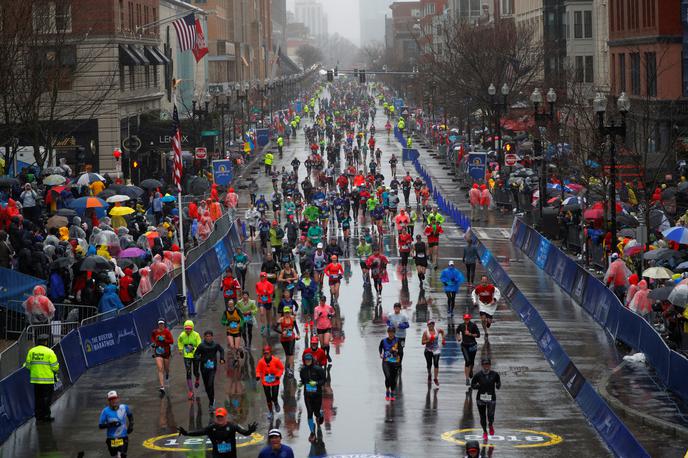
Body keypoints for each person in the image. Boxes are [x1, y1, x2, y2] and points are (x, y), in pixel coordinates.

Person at [177, 407, 257, 458]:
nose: (220, 418)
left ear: (225, 417)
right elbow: (199, 432)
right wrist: (186, 433)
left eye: (221, 416)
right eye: (218, 416)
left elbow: (245, 433)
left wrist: (250, 431)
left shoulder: (232, 426)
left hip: (231, 456)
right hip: (217, 456)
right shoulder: (211, 428)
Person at [24, 334, 59, 421]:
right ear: (46, 342)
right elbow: (55, 367)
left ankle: (38, 415)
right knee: (46, 398)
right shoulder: (49, 352)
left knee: (38, 398)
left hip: (35, 380)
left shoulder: (31, 351)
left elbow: (27, 366)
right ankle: (46, 416)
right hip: (47, 381)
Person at [471, 357, 501, 441]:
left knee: (490, 415)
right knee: (482, 416)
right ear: (482, 365)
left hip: (491, 398)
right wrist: (477, 386)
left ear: (490, 365)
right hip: (480, 399)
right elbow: (472, 384)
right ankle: (484, 432)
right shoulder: (478, 375)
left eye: (487, 364)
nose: (486, 366)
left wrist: (498, 385)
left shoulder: (495, 374)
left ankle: (490, 425)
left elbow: (498, 382)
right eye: (484, 364)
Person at [195, 330, 225, 412]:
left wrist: (222, 359)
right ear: (204, 337)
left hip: (212, 368)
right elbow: (196, 355)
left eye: (209, 336)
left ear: (212, 337)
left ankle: (211, 403)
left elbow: (221, 350)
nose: (208, 338)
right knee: (207, 387)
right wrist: (200, 359)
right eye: (206, 336)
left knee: (210, 384)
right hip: (204, 369)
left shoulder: (215, 345)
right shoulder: (201, 346)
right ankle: (211, 400)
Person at [300, 352, 326, 442]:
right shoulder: (302, 370)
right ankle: (312, 432)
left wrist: (316, 383)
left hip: (317, 395)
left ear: (312, 360)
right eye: (306, 360)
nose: (308, 361)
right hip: (307, 395)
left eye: (309, 360)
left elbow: (324, 380)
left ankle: (320, 415)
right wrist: (301, 383)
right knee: (309, 413)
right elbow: (303, 380)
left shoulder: (318, 369)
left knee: (317, 413)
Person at [98, 391, 134, 458]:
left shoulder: (124, 407)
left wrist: (131, 425)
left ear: (118, 399)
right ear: (108, 401)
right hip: (111, 438)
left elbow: (130, 416)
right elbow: (100, 426)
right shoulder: (105, 411)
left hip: (123, 437)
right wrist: (110, 424)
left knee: (123, 455)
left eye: (115, 398)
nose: (113, 401)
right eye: (111, 399)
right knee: (114, 456)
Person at [256, 345, 285, 420]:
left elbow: (281, 368)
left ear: (270, 353)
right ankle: (270, 412)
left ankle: (275, 403)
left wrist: (278, 375)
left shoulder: (276, 360)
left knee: (274, 396)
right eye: (265, 353)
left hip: (275, 381)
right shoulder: (261, 361)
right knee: (268, 398)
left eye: (267, 353)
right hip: (265, 382)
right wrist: (258, 376)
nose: (266, 355)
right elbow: (258, 370)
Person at [177, 320, 202, 400]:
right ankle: (191, 391)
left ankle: (197, 378)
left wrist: (194, 349)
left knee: (195, 371)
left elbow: (199, 345)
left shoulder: (196, 335)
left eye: (189, 329)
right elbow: (179, 341)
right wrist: (180, 349)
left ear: (192, 328)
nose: (188, 330)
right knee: (188, 372)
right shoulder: (182, 335)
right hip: (187, 356)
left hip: (195, 355)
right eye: (186, 328)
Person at [274, 306, 300, 377]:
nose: (287, 314)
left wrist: (298, 334)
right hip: (284, 339)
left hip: (291, 337)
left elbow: (296, 327)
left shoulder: (292, 318)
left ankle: (291, 369)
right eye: (285, 313)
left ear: (290, 312)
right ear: (283, 313)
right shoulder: (281, 319)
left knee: (291, 353)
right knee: (287, 354)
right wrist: (282, 332)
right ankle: (287, 366)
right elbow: (274, 328)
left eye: (288, 312)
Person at [457, 313, 481, 386]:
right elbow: (457, 331)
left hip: (472, 345)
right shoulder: (461, 325)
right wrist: (458, 337)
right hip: (464, 346)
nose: (466, 320)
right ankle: (467, 379)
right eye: (465, 319)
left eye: (467, 319)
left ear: (469, 319)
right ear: (463, 319)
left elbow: (478, 335)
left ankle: (470, 371)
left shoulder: (473, 325)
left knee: (472, 361)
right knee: (467, 361)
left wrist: (470, 334)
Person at [151, 319, 174, 394]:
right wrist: (154, 343)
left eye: (162, 324)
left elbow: (171, 341)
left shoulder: (167, 331)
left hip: (166, 352)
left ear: (164, 324)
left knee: (166, 368)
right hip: (158, 352)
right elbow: (153, 338)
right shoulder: (155, 332)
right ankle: (162, 386)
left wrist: (164, 339)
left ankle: (167, 374)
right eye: (160, 324)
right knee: (160, 368)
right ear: (158, 325)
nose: (161, 325)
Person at [421, 319, 445, 389]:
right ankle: (429, 374)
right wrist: (428, 340)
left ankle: (435, 378)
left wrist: (443, 339)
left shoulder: (437, 330)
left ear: (434, 325)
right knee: (429, 364)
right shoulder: (426, 332)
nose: (431, 325)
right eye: (429, 324)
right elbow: (422, 342)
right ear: (427, 325)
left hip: (436, 350)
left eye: (432, 324)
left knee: (436, 363)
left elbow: (442, 331)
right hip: (428, 350)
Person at [379, 327, 400, 401]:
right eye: (389, 332)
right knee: (388, 377)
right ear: (388, 332)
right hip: (386, 361)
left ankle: (392, 392)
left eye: (392, 332)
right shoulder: (383, 341)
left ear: (394, 333)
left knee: (393, 379)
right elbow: (380, 348)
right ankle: (387, 390)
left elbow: (401, 351)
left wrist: (397, 351)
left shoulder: (397, 340)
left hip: (394, 362)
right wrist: (381, 354)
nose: (391, 334)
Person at [313, 295, 335, 364]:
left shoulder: (329, 307)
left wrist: (330, 315)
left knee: (326, 343)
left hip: (327, 327)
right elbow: (315, 318)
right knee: (322, 345)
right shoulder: (316, 309)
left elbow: (333, 312)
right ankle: (323, 356)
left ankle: (327, 354)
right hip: (320, 328)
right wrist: (319, 315)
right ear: (319, 301)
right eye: (321, 301)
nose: (322, 302)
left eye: (323, 301)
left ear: (325, 301)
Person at [256, 272, 276, 336]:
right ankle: (263, 326)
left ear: (266, 277)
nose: (262, 278)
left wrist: (267, 292)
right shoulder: (258, 284)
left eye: (263, 276)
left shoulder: (269, 284)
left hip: (268, 301)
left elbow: (271, 291)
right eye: (261, 276)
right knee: (262, 313)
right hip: (261, 300)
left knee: (268, 314)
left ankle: (268, 325)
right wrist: (258, 294)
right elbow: (257, 291)